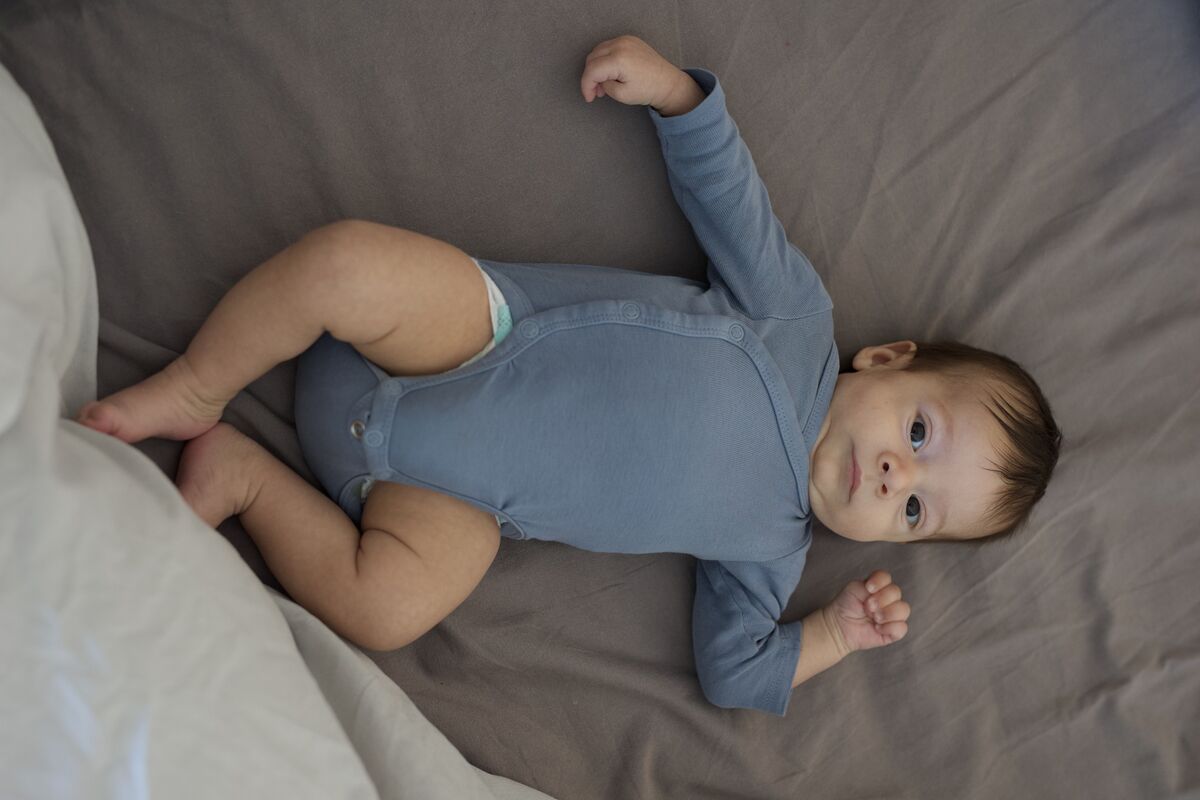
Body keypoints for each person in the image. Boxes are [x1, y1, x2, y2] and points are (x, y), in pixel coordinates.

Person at [75, 35, 1062, 716]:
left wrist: (836, 636)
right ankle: (201, 382)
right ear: (888, 360)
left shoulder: (771, 551)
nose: (896, 478)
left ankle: (243, 474)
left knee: (388, 612)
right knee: (344, 263)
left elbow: (735, 670)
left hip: (447, 499)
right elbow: (730, 197)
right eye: (921, 435)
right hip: (474, 333)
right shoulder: (795, 323)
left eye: (917, 514)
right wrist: (678, 96)